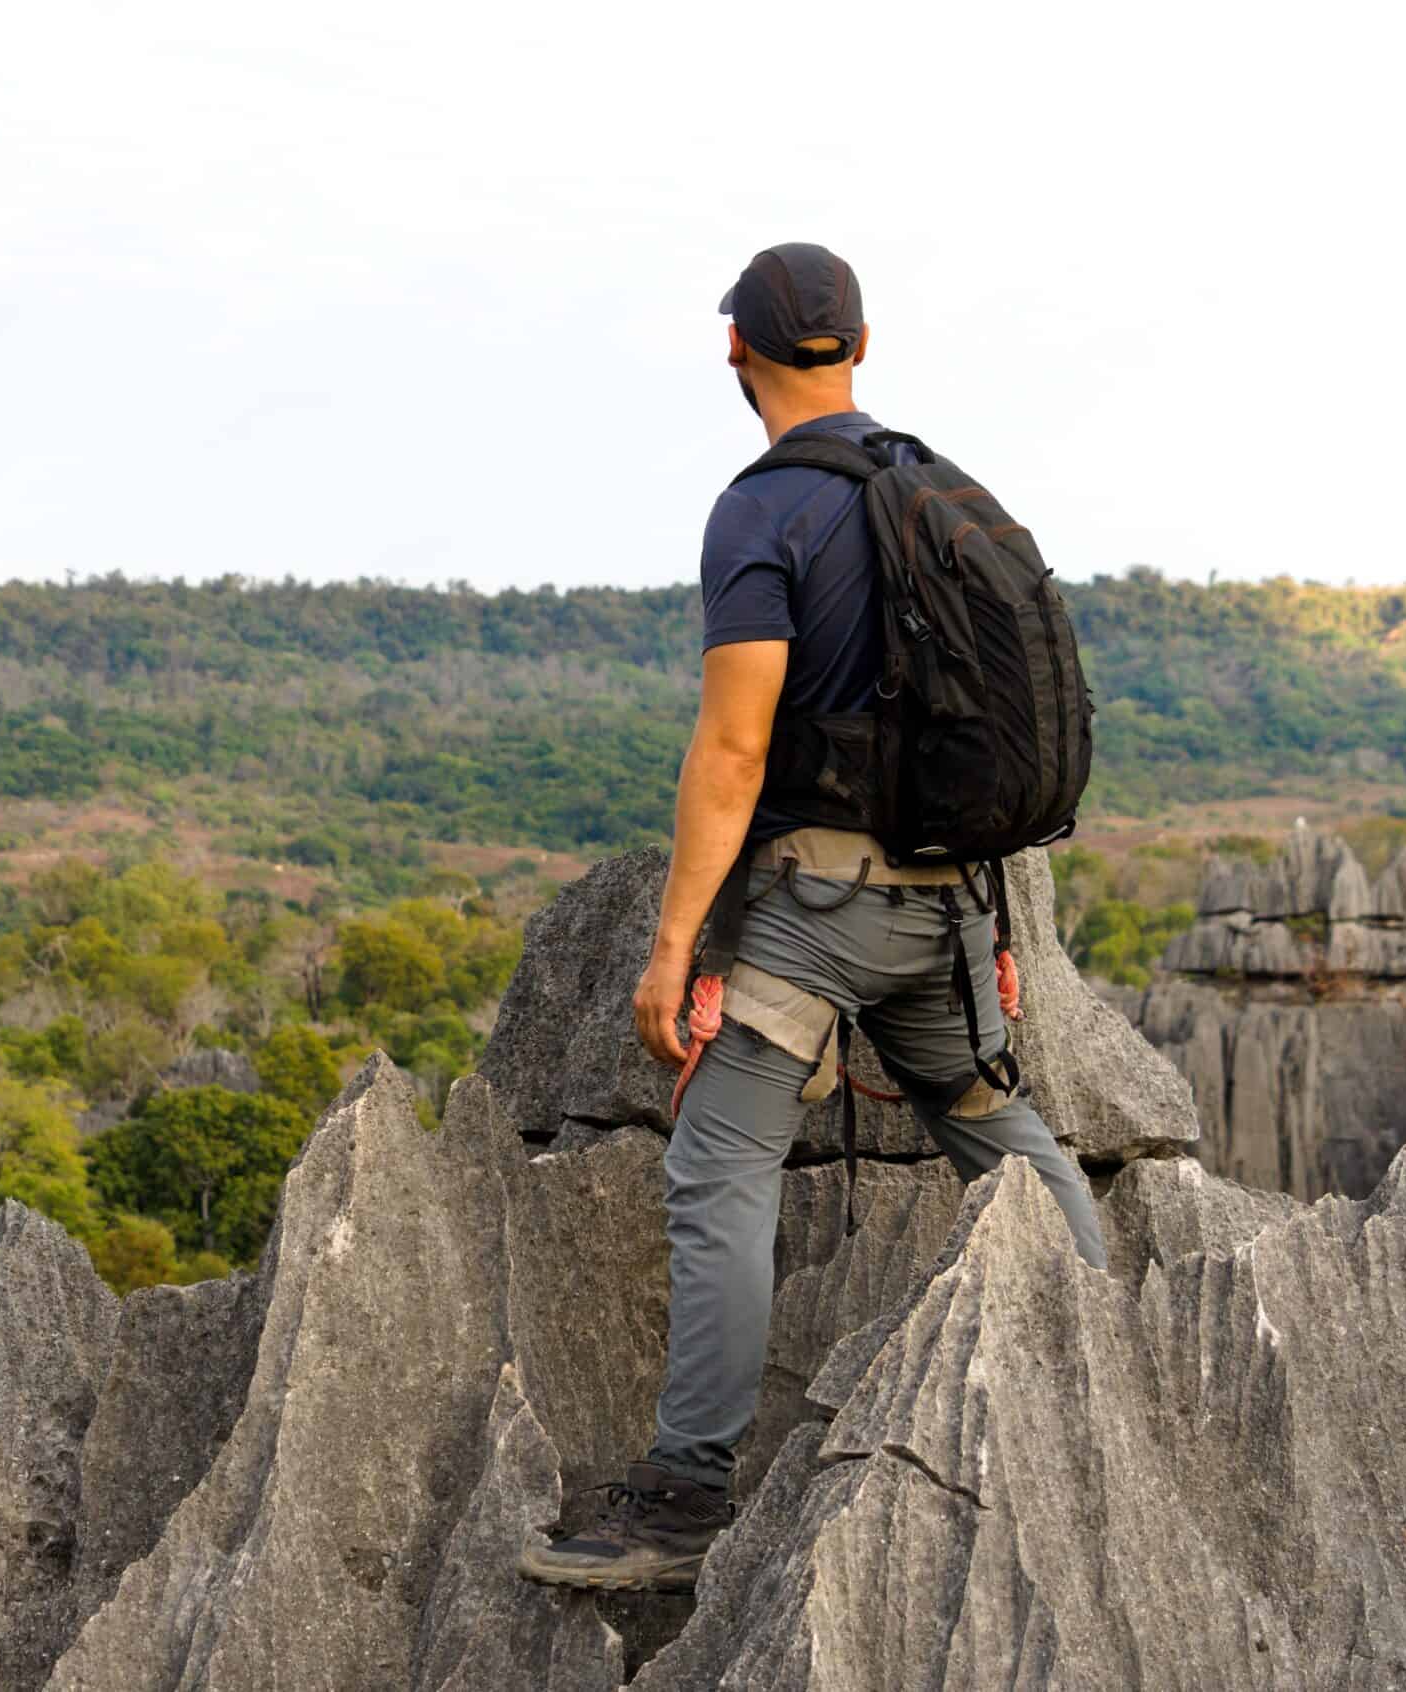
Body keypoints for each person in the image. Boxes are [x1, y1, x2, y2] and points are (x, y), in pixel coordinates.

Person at [518, 242, 1110, 1594]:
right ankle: (1113, 1354)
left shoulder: (765, 513)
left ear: (738, 349)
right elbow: (978, 728)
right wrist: (1000, 933)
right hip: (953, 906)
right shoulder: (938, 491)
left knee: (720, 1167)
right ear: (859, 345)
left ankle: (683, 1495)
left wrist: (676, 951)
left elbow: (733, 750)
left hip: (818, 913)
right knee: (994, 1129)